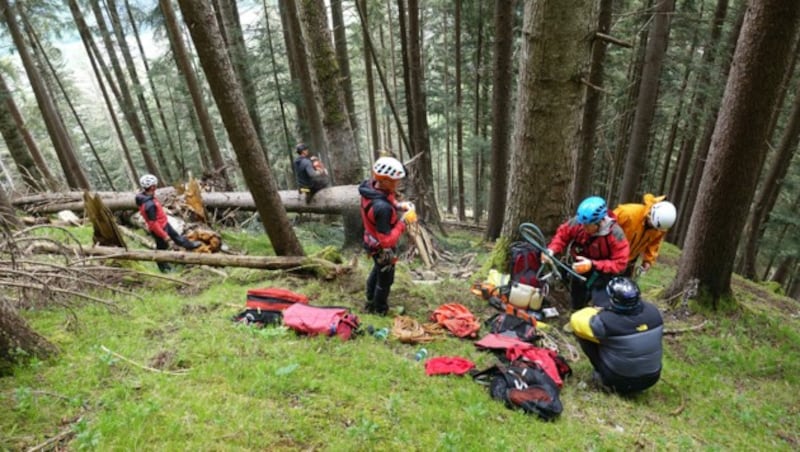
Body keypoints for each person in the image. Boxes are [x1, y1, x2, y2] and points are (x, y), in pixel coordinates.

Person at [569, 276, 663, 395]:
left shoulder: (605, 322)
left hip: (619, 381)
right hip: (652, 377)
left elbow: (575, 319)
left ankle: (602, 376)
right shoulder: (654, 312)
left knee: (583, 332)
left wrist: (598, 310)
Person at [541, 196, 629, 310]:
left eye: (587, 225)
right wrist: (551, 250)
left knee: (601, 303)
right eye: (582, 224)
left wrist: (593, 264)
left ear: (599, 222)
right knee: (577, 297)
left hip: (602, 271)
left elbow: (620, 263)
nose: (583, 227)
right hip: (579, 266)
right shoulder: (579, 222)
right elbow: (562, 235)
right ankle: (577, 311)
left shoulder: (616, 234)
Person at [359, 156, 416, 315]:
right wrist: (404, 222)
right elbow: (386, 240)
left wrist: (399, 206)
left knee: (377, 271)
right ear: (385, 181)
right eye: (396, 180)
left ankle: (370, 300)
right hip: (381, 248)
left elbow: (386, 198)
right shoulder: (382, 208)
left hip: (370, 240)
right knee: (385, 280)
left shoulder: (370, 187)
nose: (398, 183)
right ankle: (380, 310)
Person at [135, 174, 201, 272]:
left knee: (177, 237)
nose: (156, 187)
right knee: (162, 248)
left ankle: (190, 245)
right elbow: (153, 223)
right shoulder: (149, 205)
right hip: (159, 229)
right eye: (155, 185)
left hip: (164, 223)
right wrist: (163, 235)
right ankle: (164, 267)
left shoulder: (148, 197)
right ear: (152, 187)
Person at [613, 194, 677, 278]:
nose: (654, 229)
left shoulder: (660, 227)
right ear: (650, 214)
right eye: (653, 225)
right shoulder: (627, 213)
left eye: (656, 228)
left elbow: (654, 244)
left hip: (629, 262)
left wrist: (647, 261)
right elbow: (604, 226)